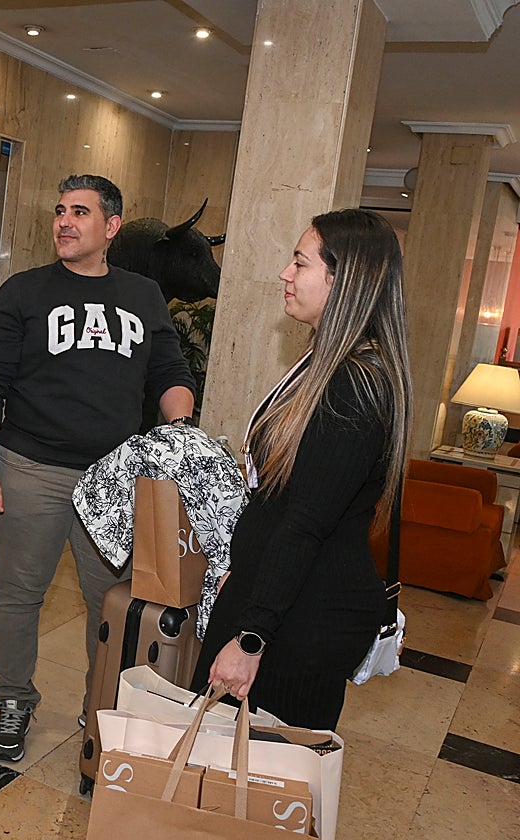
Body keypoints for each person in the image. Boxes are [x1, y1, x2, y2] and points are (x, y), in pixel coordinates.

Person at [0, 174, 196, 761]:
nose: (64, 222)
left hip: (115, 479)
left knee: (112, 604)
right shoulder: (23, 292)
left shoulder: (143, 295)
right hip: (30, 469)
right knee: (18, 593)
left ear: (111, 227)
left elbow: (170, 373)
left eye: (80, 212)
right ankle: (13, 699)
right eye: (60, 210)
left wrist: (181, 433)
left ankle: (101, 708)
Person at [191, 208, 412, 730]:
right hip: (281, 599)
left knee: (262, 768)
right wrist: (245, 572)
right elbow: (281, 499)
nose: (285, 274)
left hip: (302, 618)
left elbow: (306, 522)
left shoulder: (353, 386)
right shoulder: (328, 366)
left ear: (343, 281)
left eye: (300, 262)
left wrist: (252, 636)